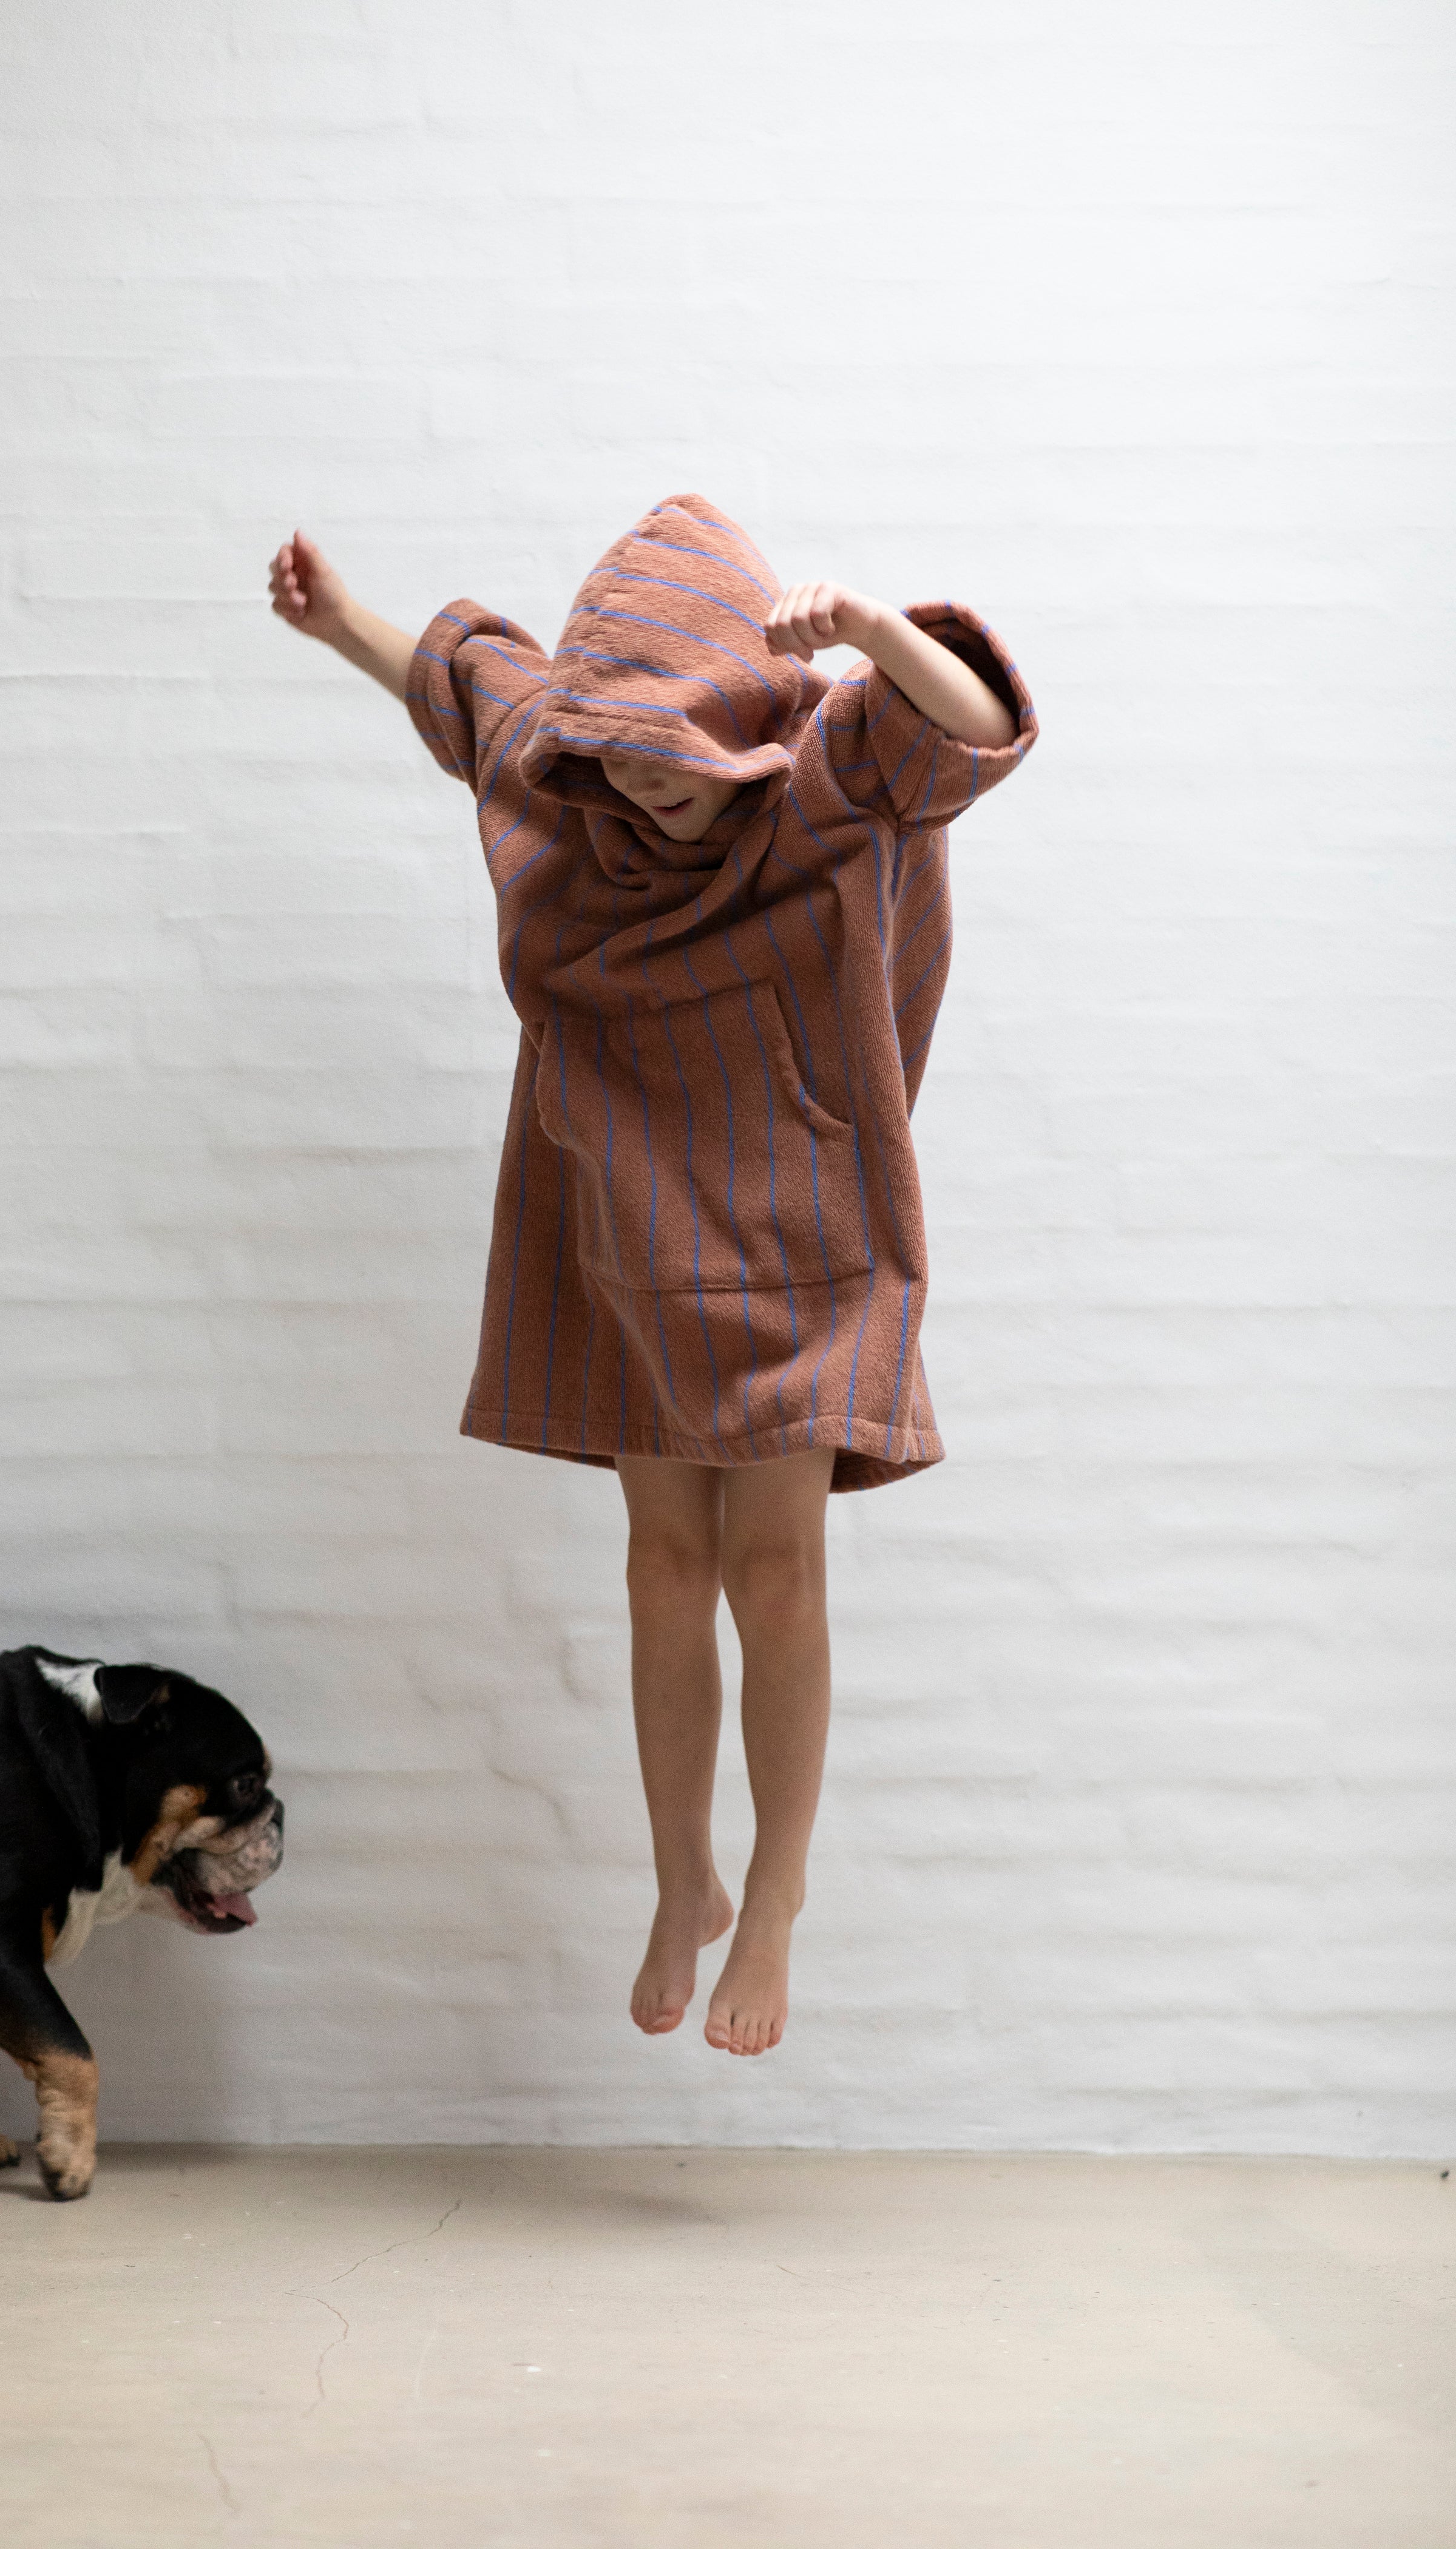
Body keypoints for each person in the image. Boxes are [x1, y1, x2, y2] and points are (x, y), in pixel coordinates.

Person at [269, 496, 1036, 2057]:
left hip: (801, 1236)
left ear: (741, 710)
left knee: (776, 1570)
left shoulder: (834, 772)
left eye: (670, 749)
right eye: (613, 751)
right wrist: (339, 620)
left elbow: (974, 728)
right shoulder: (568, 778)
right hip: (624, 1225)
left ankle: (775, 1894)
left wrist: (869, 632)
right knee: (662, 1568)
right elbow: (468, 691)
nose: (638, 779)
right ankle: (683, 1874)